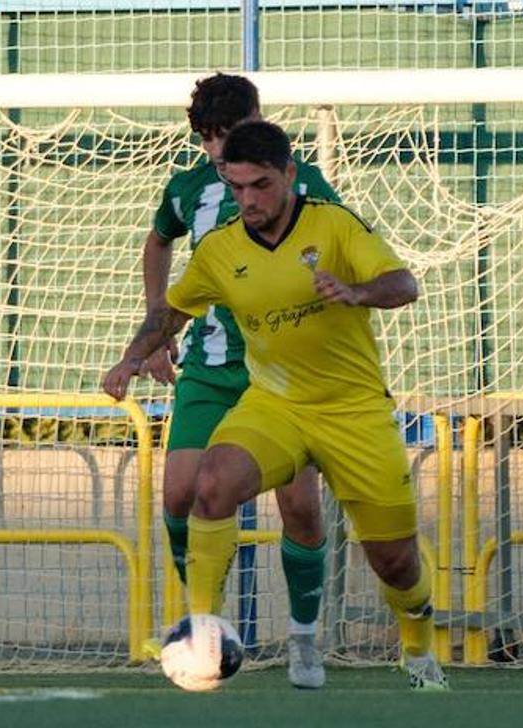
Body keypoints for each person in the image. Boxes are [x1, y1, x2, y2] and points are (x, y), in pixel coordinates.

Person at [104, 119, 448, 691]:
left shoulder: (332, 226)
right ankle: (202, 634)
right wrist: (132, 357)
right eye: (236, 187)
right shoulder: (220, 249)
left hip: (353, 412)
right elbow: (171, 312)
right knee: (211, 484)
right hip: (275, 407)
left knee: (395, 563)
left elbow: (403, 283)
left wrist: (357, 292)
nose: (248, 200)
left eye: (259, 185)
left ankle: (417, 647)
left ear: (289, 174)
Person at [132, 73, 338, 688]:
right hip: (209, 370)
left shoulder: (303, 186)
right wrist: (157, 322)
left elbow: (340, 242)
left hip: (283, 375)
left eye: (231, 135)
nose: (222, 152)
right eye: (211, 140)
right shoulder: (188, 189)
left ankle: (303, 639)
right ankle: (205, 625)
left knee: (299, 506)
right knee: (178, 495)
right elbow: (157, 242)